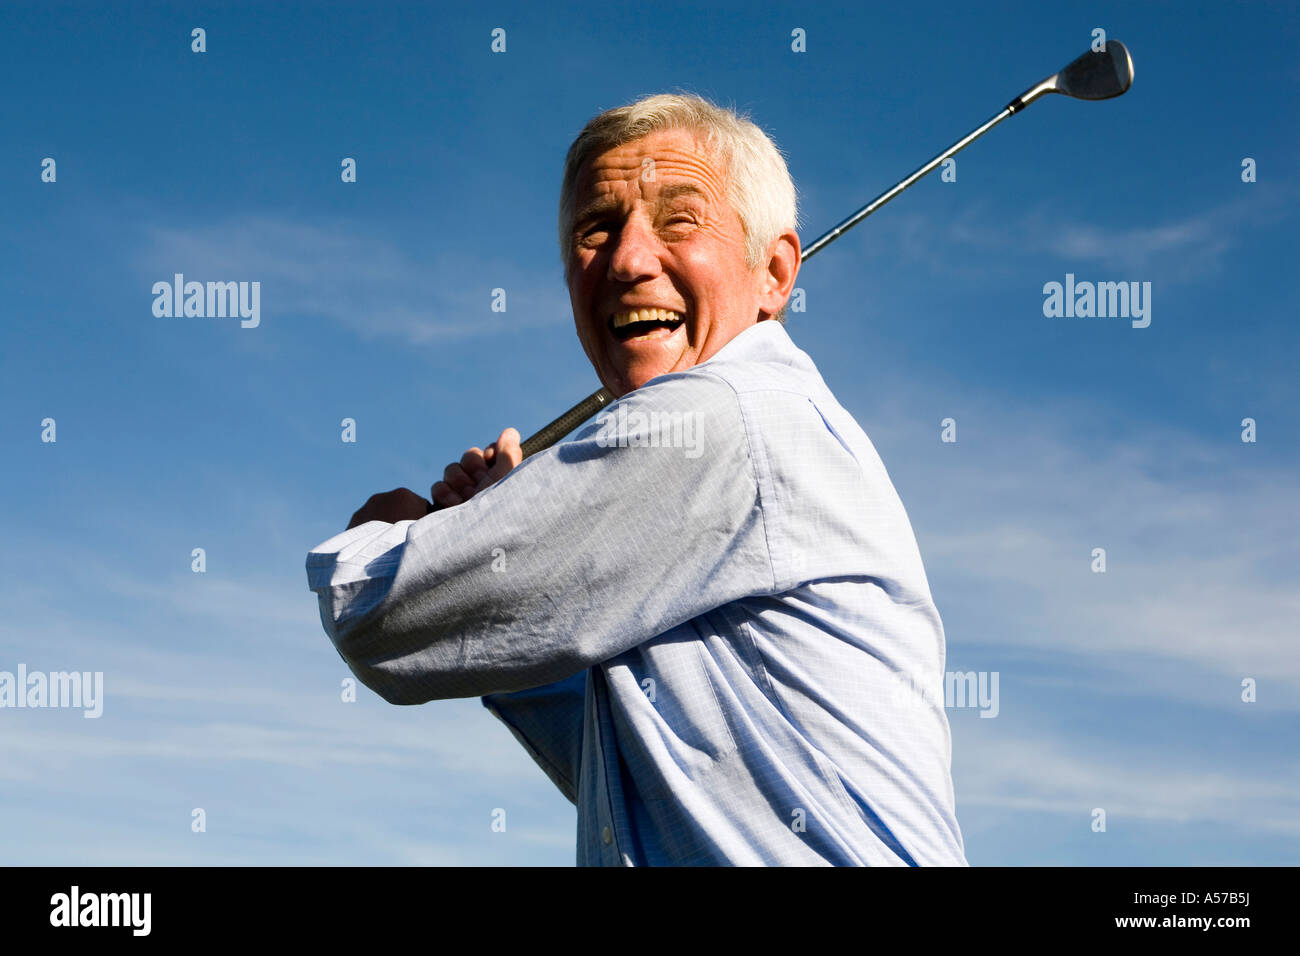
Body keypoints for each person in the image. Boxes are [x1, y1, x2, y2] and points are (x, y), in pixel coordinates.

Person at [306, 93, 967, 866]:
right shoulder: (746, 443)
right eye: (597, 230)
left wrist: (393, 528)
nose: (626, 260)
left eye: (679, 219)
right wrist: (495, 537)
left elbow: (376, 616)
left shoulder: (721, 416)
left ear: (776, 272)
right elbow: (622, 769)